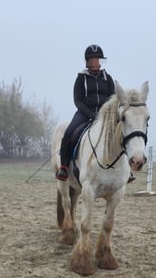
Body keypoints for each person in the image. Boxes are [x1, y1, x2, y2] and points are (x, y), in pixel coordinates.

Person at [56, 45, 135, 182]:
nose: (96, 63)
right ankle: (64, 167)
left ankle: (126, 170)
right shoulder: (81, 78)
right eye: (93, 60)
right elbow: (78, 100)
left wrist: (109, 113)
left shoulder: (107, 78)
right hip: (84, 113)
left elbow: (113, 98)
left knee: (121, 132)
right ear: (87, 61)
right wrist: (89, 113)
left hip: (106, 114)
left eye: (98, 60)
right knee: (69, 133)